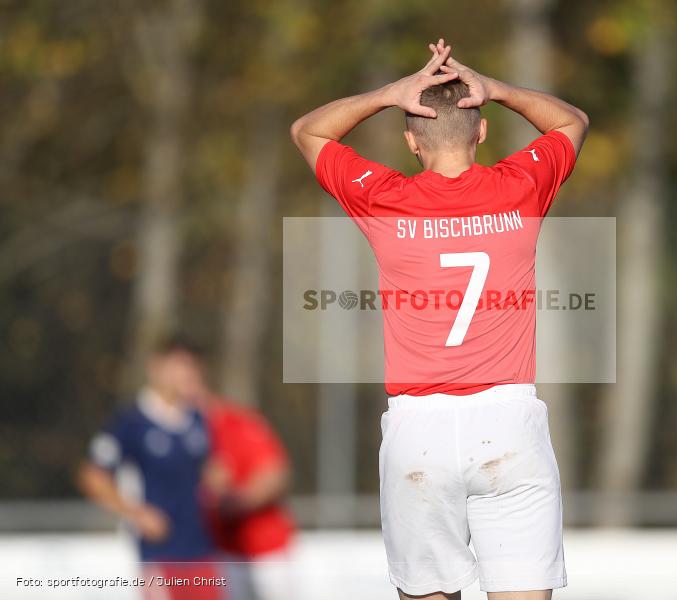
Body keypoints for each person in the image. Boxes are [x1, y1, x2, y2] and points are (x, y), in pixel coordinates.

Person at [290, 38, 588, 600]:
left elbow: (309, 131)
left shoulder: (385, 198)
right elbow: (571, 123)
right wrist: (496, 89)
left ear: (410, 141)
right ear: (481, 132)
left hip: (418, 429)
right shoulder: (519, 187)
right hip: (507, 422)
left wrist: (386, 94)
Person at [77, 337, 224, 600]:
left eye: (191, 367)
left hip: (203, 549)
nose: (186, 374)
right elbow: (93, 476)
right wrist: (137, 513)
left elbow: (210, 472)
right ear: (156, 368)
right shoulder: (131, 422)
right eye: (179, 366)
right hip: (159, 553)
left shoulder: (198, 418)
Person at [175, 350, 296, 600]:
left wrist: (235, 501)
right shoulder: (174, 433)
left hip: (263, 554)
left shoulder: (237, 423)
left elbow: (275, 474)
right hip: (214, 554)